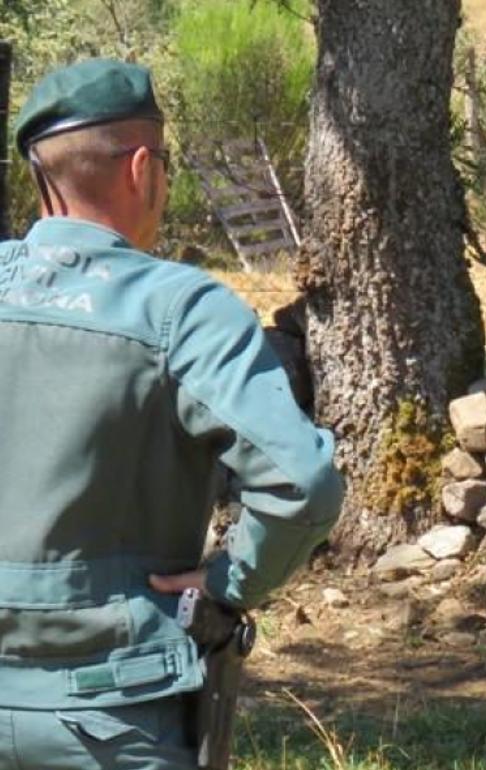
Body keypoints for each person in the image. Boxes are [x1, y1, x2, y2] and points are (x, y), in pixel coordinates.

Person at [0, 58, 344, 769]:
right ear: (140, 169)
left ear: (39, 175)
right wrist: (230, 582)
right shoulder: (182, 310)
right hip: (113, 713)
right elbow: (303, 484)